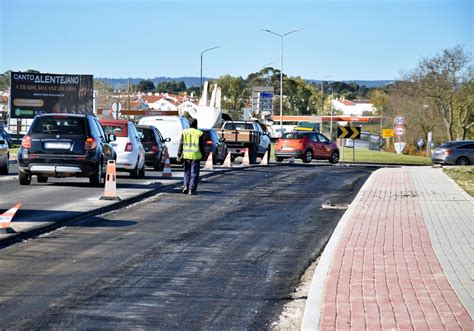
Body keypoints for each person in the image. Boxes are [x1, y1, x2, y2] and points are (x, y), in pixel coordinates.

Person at [177, 118, 205, 195]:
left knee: (186, 172)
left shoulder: (185, 132)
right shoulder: (199, 133)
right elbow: (201, 146)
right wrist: (203, 155)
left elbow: (181, 144)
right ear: (196, 124)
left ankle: (186, 186)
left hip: (186, 155)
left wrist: (179, 154)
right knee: (194, 173)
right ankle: (192, 189)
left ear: (189, 124)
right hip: (195, 156)